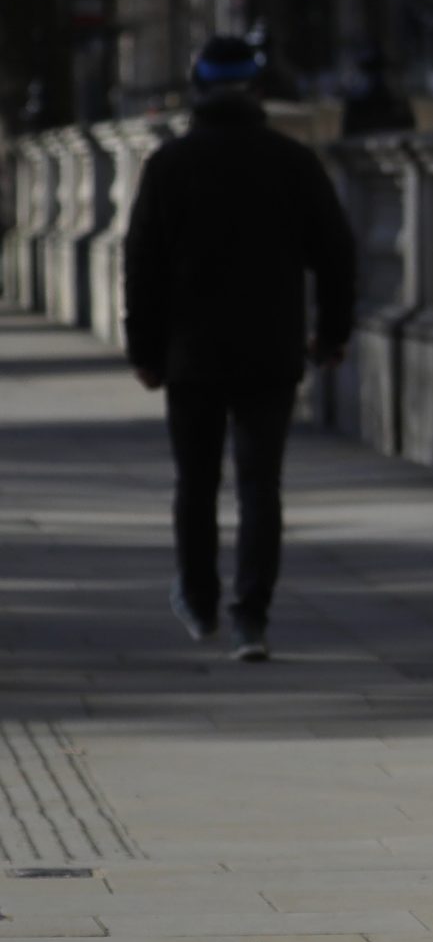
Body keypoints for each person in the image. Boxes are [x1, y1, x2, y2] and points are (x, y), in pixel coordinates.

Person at [123, 36, 358, 663]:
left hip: (191, 352)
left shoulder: (170, 165)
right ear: (257, 91)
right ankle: (251, 617)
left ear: (196, 89)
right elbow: (336, 255)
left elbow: (142, 264)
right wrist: (332, 335)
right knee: (261, 486)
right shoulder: (292, 162)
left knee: (195, 483)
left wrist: (144, 349)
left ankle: (199, 601)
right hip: (269, 349)